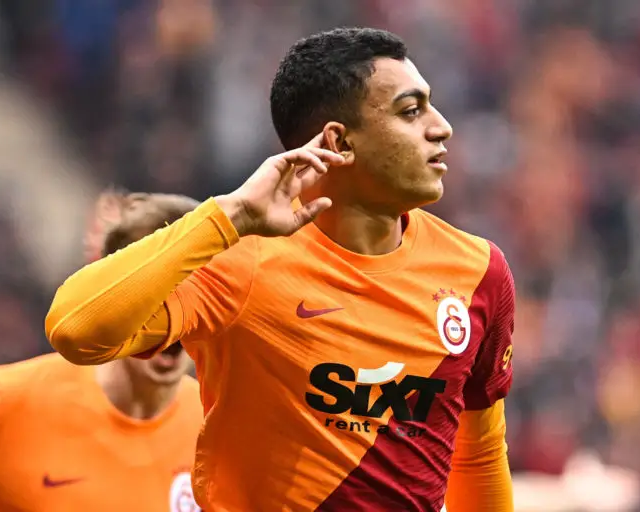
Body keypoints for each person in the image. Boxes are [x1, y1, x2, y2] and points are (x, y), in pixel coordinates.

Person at [46, 27, 516, 512]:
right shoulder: (239, 259)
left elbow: (477, 456)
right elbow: (75, 330)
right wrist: (229, 215)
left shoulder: (479, 271)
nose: (442, 127)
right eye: (410, 111)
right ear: (339, 141)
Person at [0, 192, 204, 512]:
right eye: (151, 294)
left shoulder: (216, 427)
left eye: (191, 293)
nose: (170, 319)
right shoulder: (2, 404)